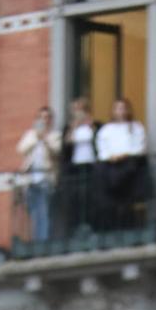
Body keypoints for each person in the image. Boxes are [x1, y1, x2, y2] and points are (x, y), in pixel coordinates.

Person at [96, 97, 149, 232]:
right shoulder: (106, 129)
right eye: (117, 108)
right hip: (111, 164)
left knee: (126, 196)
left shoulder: (136, 127)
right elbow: (102, 148)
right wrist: (111, 157)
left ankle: (127, 224)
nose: (120, 111)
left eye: (123, 108)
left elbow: (140, 147)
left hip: (129, 164)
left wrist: (125, 155)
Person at [17, 104, 60, 245]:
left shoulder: (55, 135)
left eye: (47, 117)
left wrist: (45, 140)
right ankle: (35, 240)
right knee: (34, 211)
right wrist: (37, 137)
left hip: (46, 178)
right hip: (31, 179)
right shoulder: (31, 135)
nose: (44, 120)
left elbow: (57, 151)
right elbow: (21, 149)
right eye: (41, 117)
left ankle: (42, 242)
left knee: (44, 210)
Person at [60, 96, 97, 231]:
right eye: (75, 109)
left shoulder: (93, 125)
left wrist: (90, 124)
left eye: (80, 109)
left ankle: (91, 224)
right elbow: (66, 146)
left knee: (90, 195)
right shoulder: (69, 128)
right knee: (76, 197)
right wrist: (74, 127)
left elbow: (98, 140)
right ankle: (76, 226)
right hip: (75, 167)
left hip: (91, 164)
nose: (78, 112)